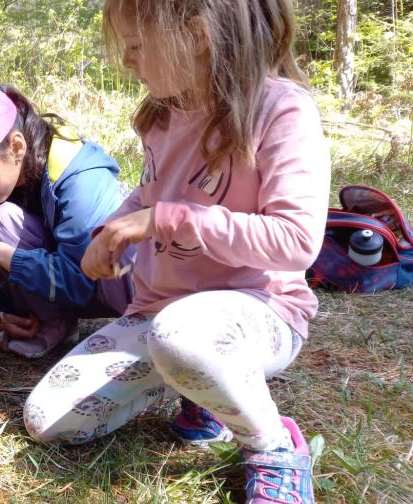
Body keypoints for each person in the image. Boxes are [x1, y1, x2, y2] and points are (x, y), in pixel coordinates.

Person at [23, 1, 330, 502]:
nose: (127, 60)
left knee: (182, 337)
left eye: (136, 46)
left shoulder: (280, 110)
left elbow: (295, 241)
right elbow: (148, 194)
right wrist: (111, 229)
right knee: (49, 420)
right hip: (160, 318)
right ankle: (204, 394)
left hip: (259, 313)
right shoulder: (164, 114)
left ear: (197, 34)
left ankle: (274, 448)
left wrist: (168, 219)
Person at [0, 85, 134, 359]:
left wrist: (5, 256)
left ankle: (126, 326)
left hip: (113, 281)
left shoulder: (81, 180)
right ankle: (52, 323)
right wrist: (1, 312)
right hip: (69, 281)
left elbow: (81, 282)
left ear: (16, 146)